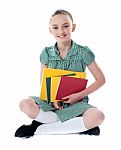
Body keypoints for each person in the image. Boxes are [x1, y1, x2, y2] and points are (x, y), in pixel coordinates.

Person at [15, 9, 105, 138]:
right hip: (52, 103)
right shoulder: (46, 53)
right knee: (24, 104)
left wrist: (77, 96)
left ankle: (37, 129)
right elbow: (43, 81)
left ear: (73, 27)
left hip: (76, 104)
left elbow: (101, 80)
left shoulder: (83, 52)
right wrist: (52, 100)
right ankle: (76, 126)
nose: (61, 31)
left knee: (98, 116)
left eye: (65, 26)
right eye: (55, 27)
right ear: (50, 30)